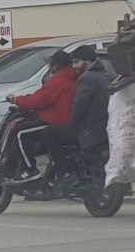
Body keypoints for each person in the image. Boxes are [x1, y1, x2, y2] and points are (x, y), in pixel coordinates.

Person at [42, 45, 111, 181]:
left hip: (89, 129)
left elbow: (79, 108)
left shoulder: (87, 79)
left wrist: (71, 121)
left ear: (87, 61)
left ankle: (68, 171)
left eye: (76, 62)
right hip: (104, 127)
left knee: (48, 132)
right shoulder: (107, 76)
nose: (73, 66)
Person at [6, 50, 77, 183]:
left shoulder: (58, 81)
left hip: (54, 122)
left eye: (51, 64)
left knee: (20, 133)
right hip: (67, 123)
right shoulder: (72, 78)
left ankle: (30, 170)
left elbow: (37, 100)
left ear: (56, 66)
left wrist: (16, 100)